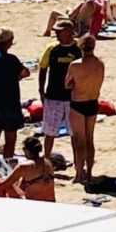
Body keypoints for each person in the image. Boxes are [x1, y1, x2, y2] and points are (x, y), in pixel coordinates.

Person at [0, 27, 30, 162]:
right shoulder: (11, 60)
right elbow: (25, 72)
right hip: (10, 103)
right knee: (10, 138)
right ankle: (8, 164)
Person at [38, 19, 81, 157]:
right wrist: (41, 89)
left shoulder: (78, 49)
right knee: (49, 132)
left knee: (74, 134)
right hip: (53, 96)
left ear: (69, 32)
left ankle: (78, 164)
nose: (56, 34)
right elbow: (43, 68)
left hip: (73, 98)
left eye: (59, 31)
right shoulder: (52, 49)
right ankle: (46, 160)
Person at [65, 35, 104, 184]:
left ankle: (79, 173)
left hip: (78, 103)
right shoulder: (100, 64)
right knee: (90, 139)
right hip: (93, 102)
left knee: (79, 141)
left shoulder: (75, 65)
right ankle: (89, 172)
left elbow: (67, 84)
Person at [0, 135, 55, 202]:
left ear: (26, 150)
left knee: (3, 182)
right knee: (19, 181)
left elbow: (2, 185)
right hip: (50, 202)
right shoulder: (47, 162)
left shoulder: (24, 166)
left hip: (34, 203)